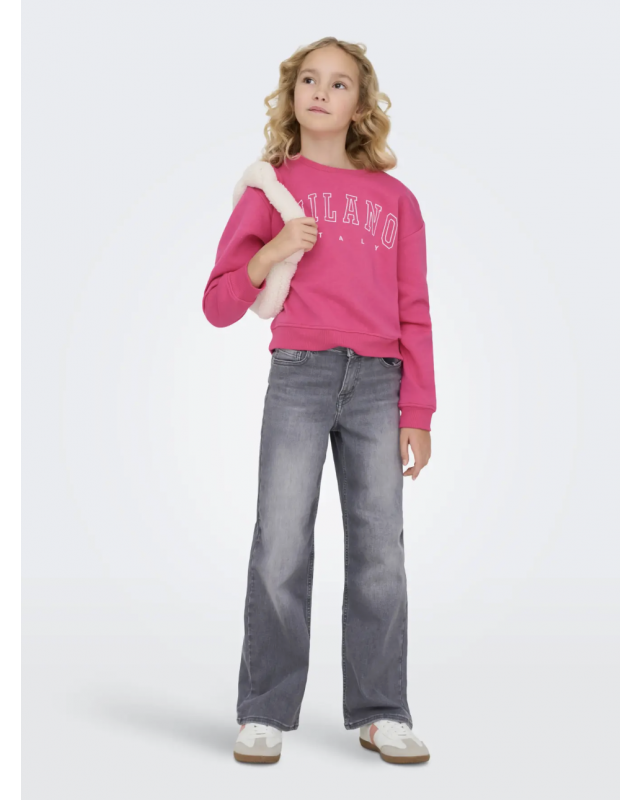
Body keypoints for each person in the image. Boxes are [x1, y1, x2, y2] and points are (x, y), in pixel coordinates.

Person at [202, 37, 435, 765]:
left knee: (380, 554)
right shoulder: (271, 188)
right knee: (280, 543)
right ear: (291, 93)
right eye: (309, 79)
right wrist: (272, 253)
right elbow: (218, 303)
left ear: (360, 106)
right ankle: (265, 710)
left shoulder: (396, 201)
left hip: (379, 385)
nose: (321, 92)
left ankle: (381, 711)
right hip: (300, 376)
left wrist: (419, 412)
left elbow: (415, 309)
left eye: (339, 84)